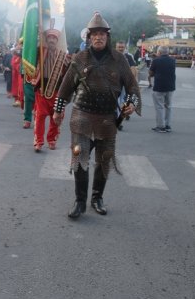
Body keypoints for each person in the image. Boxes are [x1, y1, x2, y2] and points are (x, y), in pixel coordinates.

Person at [53, 12, 140, 219]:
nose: (98, 37)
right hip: (82, 116)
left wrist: (132, 105)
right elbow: (64, 89)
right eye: (94, 34)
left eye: (102, 34)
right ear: (89, 37)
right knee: (80, 158)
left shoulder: (119, 60)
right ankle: (80, 202)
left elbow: (133, 88)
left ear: (107, 37)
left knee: (104, 160)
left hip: (106, 119)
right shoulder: (80, 59)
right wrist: (58, 110)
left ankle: (97, 198)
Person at [32, 28, 69, 152]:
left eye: (54, 38)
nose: (52, 40)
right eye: (49, 38)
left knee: (57, 117)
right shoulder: (40, 52)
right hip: (42, 89)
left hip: (57, 90)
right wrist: (38, 33)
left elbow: (69, 73)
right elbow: (29, 50)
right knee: (40, 116)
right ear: (46, 40)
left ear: (57, 40)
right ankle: (38, 142)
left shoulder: (63, 55)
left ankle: (52, 139)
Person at [149, 46, 176, 133]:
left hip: (159, 87)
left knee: (159, 107)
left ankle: (161, 126)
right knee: (168, 106)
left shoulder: (156, 60)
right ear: (167, 52)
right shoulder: (173, 60)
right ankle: (168, 125)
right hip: (170, 87)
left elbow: (151, 73)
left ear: (159, 52)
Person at [115, 40, 138, 129]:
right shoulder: (111, 56)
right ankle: (118, 121)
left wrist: (133, 81)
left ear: (125, 47)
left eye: (122, 47)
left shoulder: (129, 57)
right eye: (119, 47)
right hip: (114, 83)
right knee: (116, 101)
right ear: (116, 47)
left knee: (124, 101)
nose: (121, 48)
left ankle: (120, 119)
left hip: (125, 84)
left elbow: (133, 69)